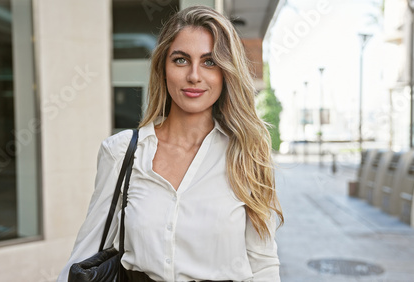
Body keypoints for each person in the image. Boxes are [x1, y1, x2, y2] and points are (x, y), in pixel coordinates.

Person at [58, 5, 283, 282]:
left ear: (226, 73)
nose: (194, 75)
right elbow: (87, 250)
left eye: (209, 62)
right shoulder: (122, 152)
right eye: (180, 60)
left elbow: (263, 266)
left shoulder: (246, 155)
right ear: (163, 68)